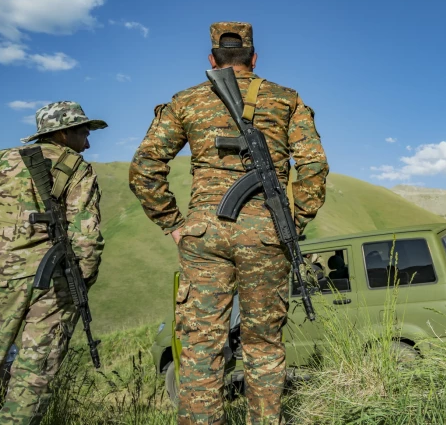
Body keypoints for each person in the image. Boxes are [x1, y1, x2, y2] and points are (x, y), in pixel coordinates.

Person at [129, 22, 329, 425]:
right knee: (264, 346)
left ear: (212, 59)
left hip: (204, 235)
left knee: (202, 345)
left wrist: (174, 223)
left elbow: (145, 167)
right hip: (266, 235)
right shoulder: (286, 100)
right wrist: (293, 222)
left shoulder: (185, 101)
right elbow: (313, 166)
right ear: (254, 59)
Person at [0, 102, 107, 424]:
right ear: (63, 133)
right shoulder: (78, 168)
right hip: (55, 286)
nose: (88, 142)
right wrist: (79, 284)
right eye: (84, 133)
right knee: (33, 379)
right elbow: (87, 236)